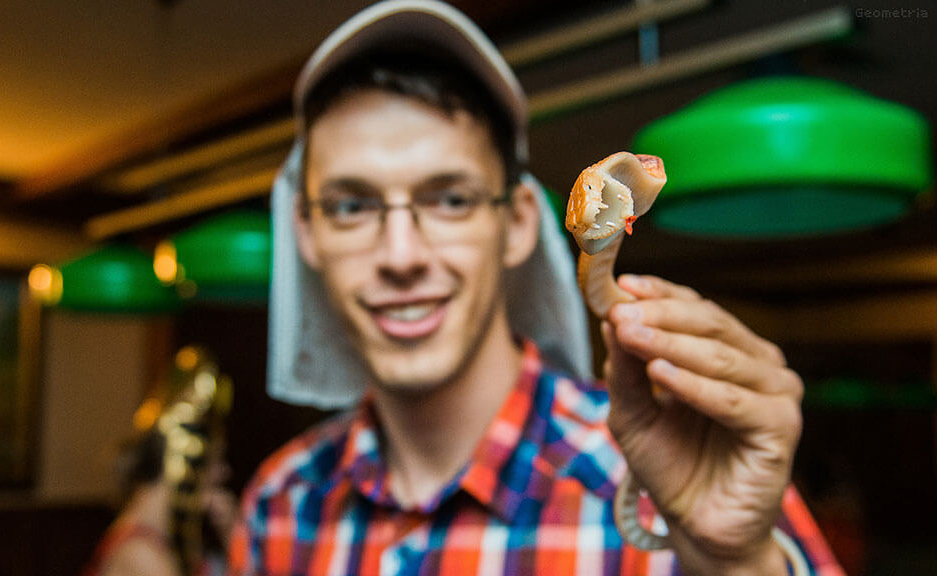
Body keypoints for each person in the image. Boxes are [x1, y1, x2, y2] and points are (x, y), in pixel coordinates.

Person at [231, 1, 844, 574]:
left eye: (450, 199)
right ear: (305, 232)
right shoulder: (278, 505)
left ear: (521, 222)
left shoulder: (679, 466)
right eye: (350, 206)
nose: (401, 256)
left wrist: (740, 563)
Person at [84, 347, 236, 576]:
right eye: (215, 461)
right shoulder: (141, 554)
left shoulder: (161, 539)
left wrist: (232, 537)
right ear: (181, 462)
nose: (224, 472)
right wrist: (238, 542)